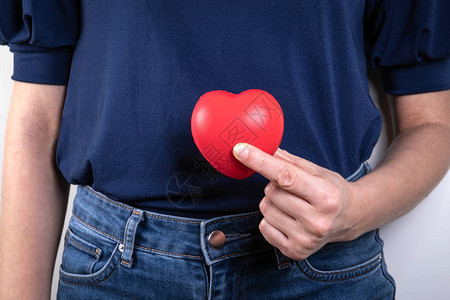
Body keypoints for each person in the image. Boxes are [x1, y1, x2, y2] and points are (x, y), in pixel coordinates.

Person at [0, 1, 449, 299]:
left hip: (320, 269)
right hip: (116, 269)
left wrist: (354, 209)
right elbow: (35, 126)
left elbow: (433, 122)